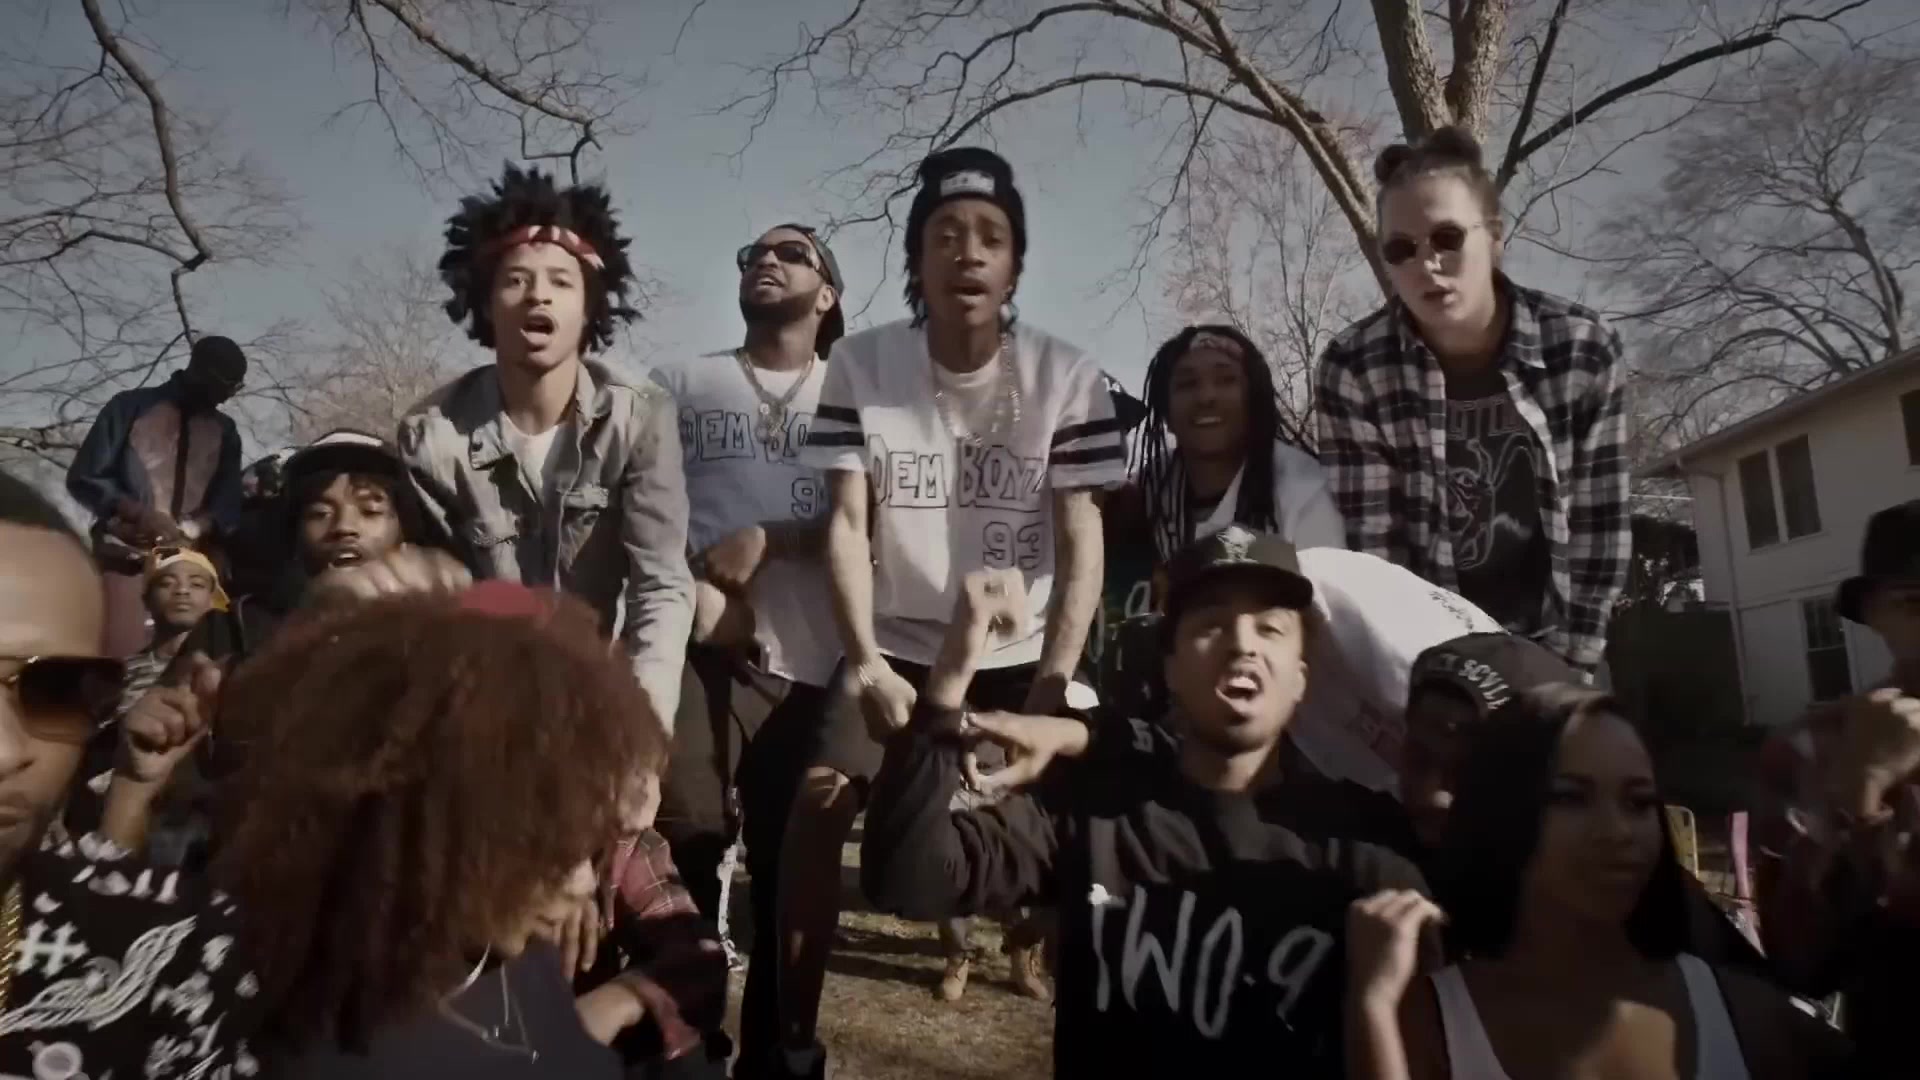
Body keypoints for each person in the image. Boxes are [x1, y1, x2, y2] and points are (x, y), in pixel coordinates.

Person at [782, 146, 1126, 1076]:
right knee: (816, 807)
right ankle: (789, 1048)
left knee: (1092, 833)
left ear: (1014, 262)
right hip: (898, 645)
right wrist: (864, 663)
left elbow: (1083, 538)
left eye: (990, 236)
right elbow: (846, 524)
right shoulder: (859, 364)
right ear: (916, 255)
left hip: (1022, 656)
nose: (967, 252)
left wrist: (1054, 684)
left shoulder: (1068, 373)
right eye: (945, 234)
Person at [861, 527, 1432, 1076]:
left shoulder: (1362, 851)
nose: (1242, 644)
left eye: (1270, 629)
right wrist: (949, 679)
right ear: (1171, 668)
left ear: (1302, 677)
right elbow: (908, 876)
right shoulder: (1094, 812)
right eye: (1212, 625)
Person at [210, 583, 682, 1077]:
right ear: (426, 827)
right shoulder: (339, 1044)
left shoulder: (509, 952)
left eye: (588, 847)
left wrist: (619, 1002)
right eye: (548, 852)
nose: (582, 882)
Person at [1346, 686, 1847, 1080]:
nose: (1617, 831)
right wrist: (1372, 1007)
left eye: (1638, 802)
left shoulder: (1745, 1016)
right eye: (1571, 797)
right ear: (1501, 813)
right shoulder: (1431, 1022)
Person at [1316, 126, 1628, 675]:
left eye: (1448, 237)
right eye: (1401, 249)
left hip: (1560, 643)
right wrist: (1426, 678)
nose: (1426, 264)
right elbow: (1378, 555)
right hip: (1429, 653)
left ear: (1495, 236)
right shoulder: (1354, 369)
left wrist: (1571, 670)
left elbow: (1599, 528)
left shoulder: (1581, 348)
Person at [646, 223, 845, 1070]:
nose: (767, 259)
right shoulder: (679, 383)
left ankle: (776, 1057)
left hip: (814, 668)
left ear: (827, 295)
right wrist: (696, 592)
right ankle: (682, 1049)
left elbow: (876, 526)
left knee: (789, 876)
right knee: (684, 847)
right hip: (693, 654)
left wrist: (769, 537)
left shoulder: (855, 394)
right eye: (754, 253)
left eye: (793, 253)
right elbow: (636, 508)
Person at [401, 163, 694, 726]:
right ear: (485, 304)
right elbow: (436, 599)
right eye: (515, 280)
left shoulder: (640, 416)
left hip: (608, 684)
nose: (538, 295)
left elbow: (660, 584)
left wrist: (642, 730)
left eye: (561, 281)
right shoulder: (430, 437)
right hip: (485, 691)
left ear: (589, 309)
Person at [0, 469, 260, 1077]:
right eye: (170, 582)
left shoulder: (172, 951)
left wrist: (137, 789)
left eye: (58, 690)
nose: (6, 752)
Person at [1755, 499, 1920, 1076]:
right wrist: (1858, 792)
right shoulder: (1813, 748)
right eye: (1915, 603)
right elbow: (1798, 965)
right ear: (1873, 613)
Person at [65, 335, 247, 657]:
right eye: (222, 387)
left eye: (234, 389)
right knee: (121, 662)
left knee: (197, 665)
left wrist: (195, 528)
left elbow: (228, 503)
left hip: (192, 568)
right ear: (198, 371)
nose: (225, 398)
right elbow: (85, 476)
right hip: (126, 560)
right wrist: (138, 514)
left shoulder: (226, 431)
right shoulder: (129, 407)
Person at [1136, 323, 1345, 563]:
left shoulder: (1305, 492)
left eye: (1226, 379)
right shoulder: (1149, 490)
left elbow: (1327, 585)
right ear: (1166, 412)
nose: (1206, 396)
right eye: (1187, 383)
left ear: (1256, 400)